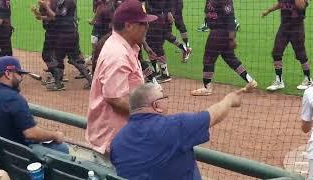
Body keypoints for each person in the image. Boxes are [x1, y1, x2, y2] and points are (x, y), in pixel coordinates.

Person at [110, 82, 256, 180]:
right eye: (164, 97)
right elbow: (214, 115)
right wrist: (230, 99)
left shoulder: (116, 142)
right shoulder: (174, 126)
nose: (167, 100)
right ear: (157, 105)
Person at [86, 0, 157, 166]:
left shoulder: (125, 47)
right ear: (129, 25)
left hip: (119, 140)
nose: (147, 27)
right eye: (143, 23)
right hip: (112, 145)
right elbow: (115, 98)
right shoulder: (117, 54)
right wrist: (149, 113)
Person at [0, 56, 69, 154]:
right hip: (14, 156)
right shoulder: (13, 98)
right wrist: (55, 135)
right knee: (61, 148)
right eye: (19, 73)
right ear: (8, 74)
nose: (21, 78)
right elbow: (31, 133)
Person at [191, 0, 257, 96]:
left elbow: (230, 18)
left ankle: (207, 88)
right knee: (230, 58)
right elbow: (208, 14)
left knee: (208, 59)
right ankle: (250, 80)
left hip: (219, 32)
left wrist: (232, 38)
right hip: (219, 32)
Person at [38, 0, 92, 90]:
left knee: (58, 59)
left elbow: (58, 17)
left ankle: (58, 84)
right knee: (75, 59)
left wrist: (46, 6)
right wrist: (42, 17)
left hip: (65, 34)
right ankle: (91, 81)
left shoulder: (68, 1)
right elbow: (54, 17)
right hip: (70, 33)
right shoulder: (60, 1)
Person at [262, 0, 311, 91]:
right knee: (276, 52)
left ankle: (308, 80)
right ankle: (279, 81)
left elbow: (301, 6)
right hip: (284, 27)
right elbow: (281, 4)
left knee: (301, 54)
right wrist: (269, 10)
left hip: (297, 27)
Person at [144, 0, 173, 83]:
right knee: (150, 45)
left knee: (157, 46)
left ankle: (165, 74)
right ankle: (155, 71)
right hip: (153, 19)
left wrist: (168, 12)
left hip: (156, 19)